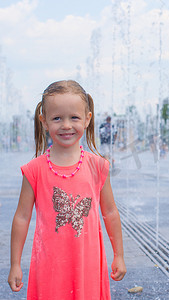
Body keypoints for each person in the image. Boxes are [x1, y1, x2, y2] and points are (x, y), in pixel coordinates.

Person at [7, 80, 126, 299]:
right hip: (49, 265)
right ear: (44, 122)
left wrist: (118, 255)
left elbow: (109, 212)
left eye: (74, 117)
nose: (66, 125)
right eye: (57, 118)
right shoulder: (34, 170)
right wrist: (15, 263)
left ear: (88, 119)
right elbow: (22, 217)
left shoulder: (97, 166)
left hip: (87, 262)